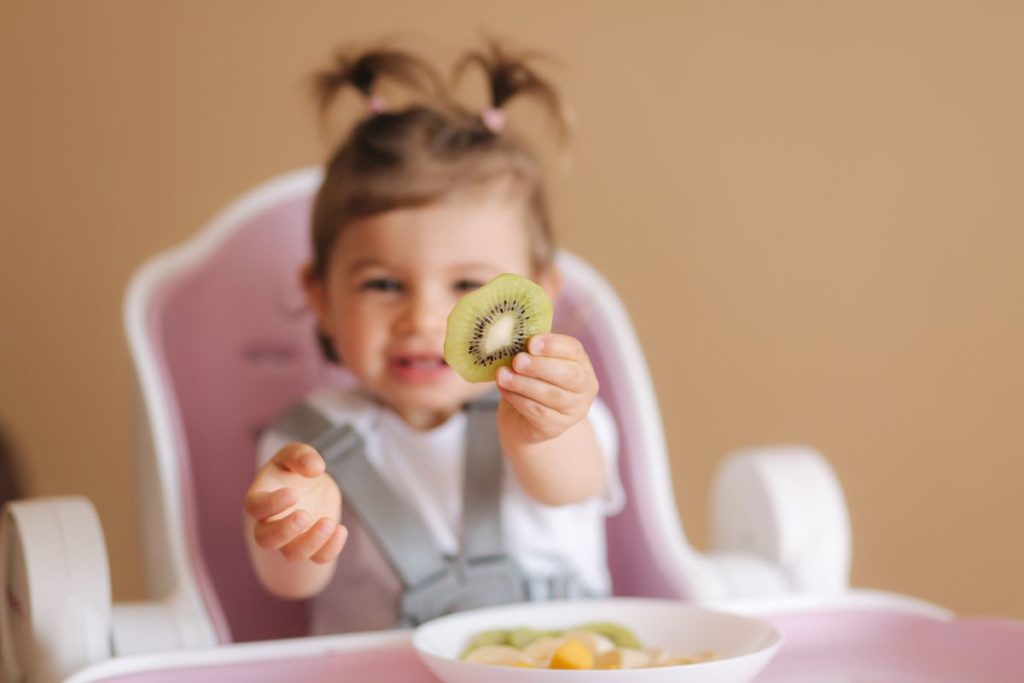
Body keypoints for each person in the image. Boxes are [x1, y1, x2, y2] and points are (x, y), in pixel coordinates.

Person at [243, 43, 623, 635]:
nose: (423, 319)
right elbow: (290, 584)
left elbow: (570, 486)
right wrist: (291, 527)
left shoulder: (561, 414)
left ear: (539, 294)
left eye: (467, 284)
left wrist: (545, 431)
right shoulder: (305, 441)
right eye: (385, 283)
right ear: (320, 297)